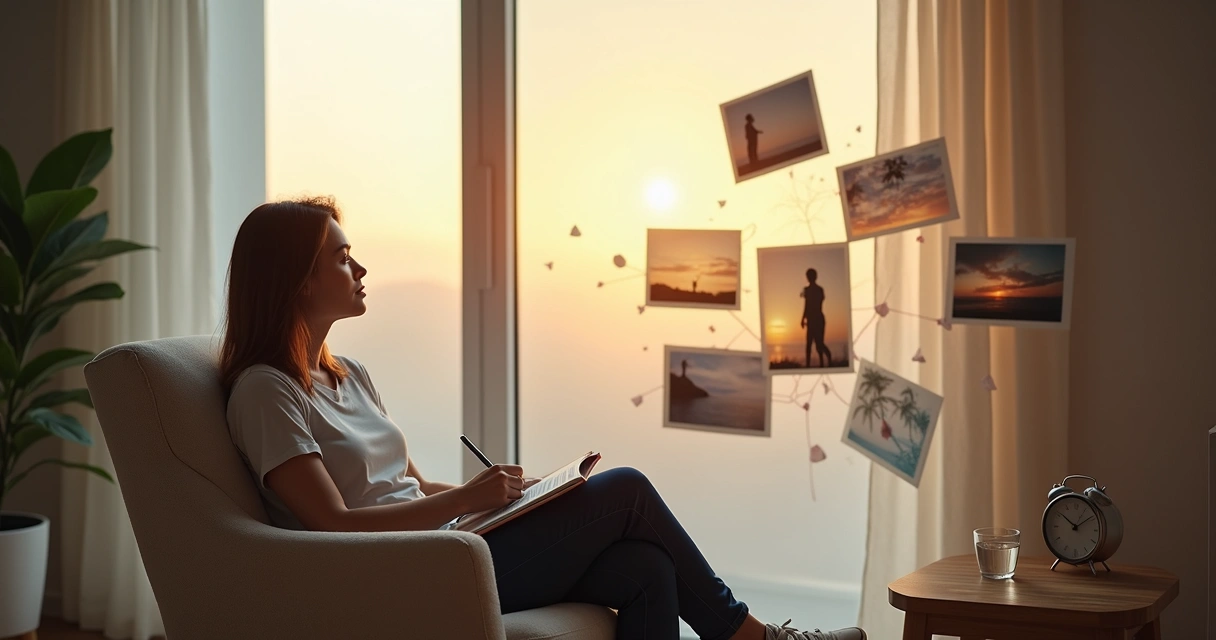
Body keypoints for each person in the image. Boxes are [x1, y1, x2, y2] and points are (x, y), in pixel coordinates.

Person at [221, 197, 866, 640]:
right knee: (629, 488)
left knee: (647, 567)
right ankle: (752, 637)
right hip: (408, 573)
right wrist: (469, 502)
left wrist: (506, 497)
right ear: (298, 281)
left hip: (455, 541)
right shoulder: (265, 392)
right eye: (341, 257)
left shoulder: (350, 375)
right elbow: (333, 525)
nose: (360, 268)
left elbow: (412, 488)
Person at [799, 268, 832, 368]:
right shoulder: (810, 290)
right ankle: (808, 365)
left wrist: (804, 318)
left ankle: (825, 359)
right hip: (813, 319)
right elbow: (807, 305)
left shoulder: (813, 290)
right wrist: (803, 318)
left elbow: (809, 305)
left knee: (818, 344)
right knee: (810, 343)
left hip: (816, 319)